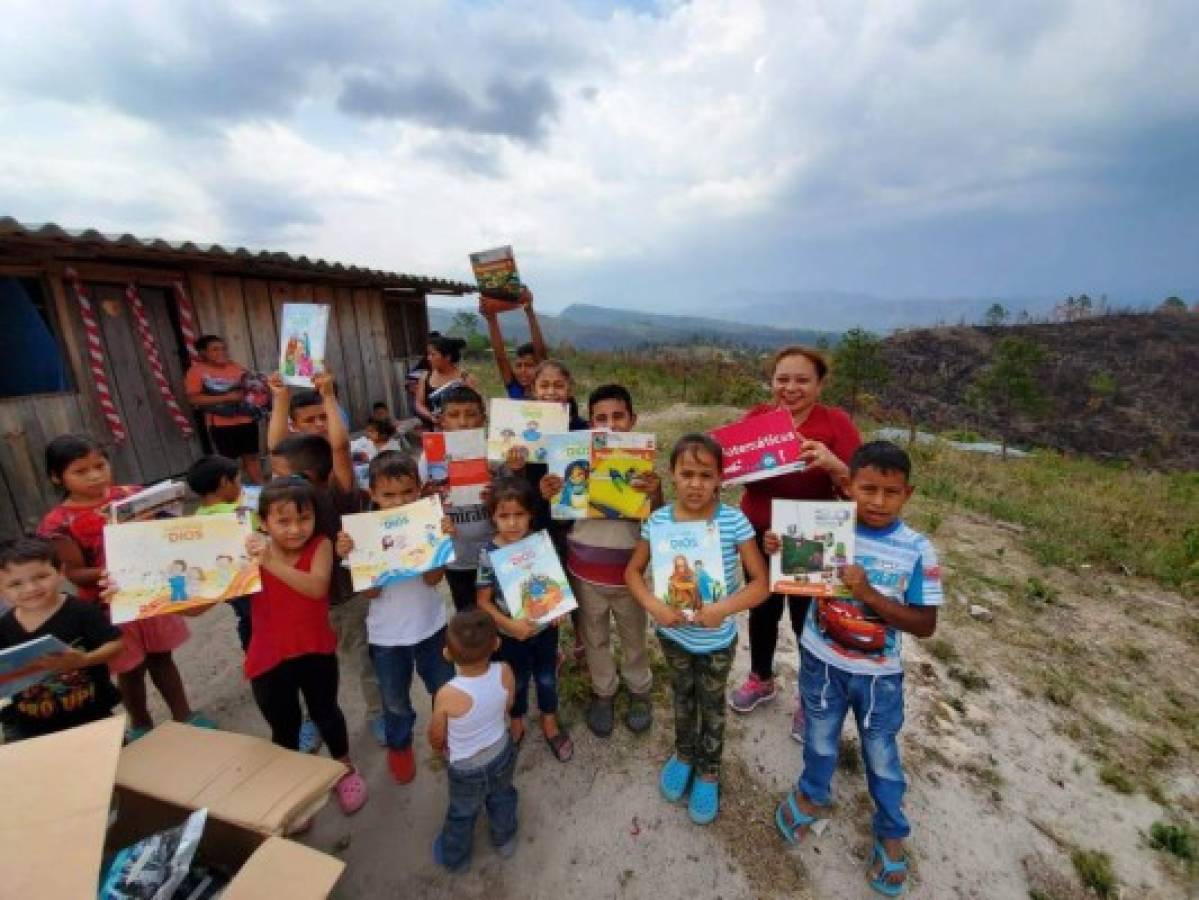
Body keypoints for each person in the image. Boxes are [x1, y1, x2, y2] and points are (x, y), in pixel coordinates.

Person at [770, 441, 941, 897]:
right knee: (820, 736)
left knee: (881, 754)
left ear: (908, 494)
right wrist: (781, 550)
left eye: (890, 491)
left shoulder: (918, 549)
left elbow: (925, 624)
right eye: (867, 488)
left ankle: (891, 832)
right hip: (821, 662)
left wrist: (868, 595)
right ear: (850, 487)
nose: (878, 501)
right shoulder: (831, 528)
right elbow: (798, 578)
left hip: (879, 676)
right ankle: (812, 793)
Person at [625, 433, 769, 825]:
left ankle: (709, 771)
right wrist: (655, 605)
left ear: (721, 478)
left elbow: (760, 583)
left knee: (712, 704)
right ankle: (684, 754)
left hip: (716, 641)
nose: (695, 483)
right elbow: (633, 572)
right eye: (687, 473)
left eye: (706, 475)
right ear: (671, 474)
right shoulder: (658, 520)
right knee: (682, 698)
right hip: (673, 636)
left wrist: (723, 608)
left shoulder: (733, 521)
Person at [37, 434, 212, 741]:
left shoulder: (132, 496)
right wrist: (116, 568)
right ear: (57, 477)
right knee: (130, 668)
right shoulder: (60, 522)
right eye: (81, 471)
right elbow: (75, 572)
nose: (95, 475)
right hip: (109, 603)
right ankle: (141, 724)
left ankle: (184, 715)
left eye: (100, 465)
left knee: (162, 656)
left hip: (153, 591)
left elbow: (167, 530)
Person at [728, 346, 862, 743]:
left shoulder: (835, 423)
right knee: (763, 610)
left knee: (809, 621)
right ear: (771, 382)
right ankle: (762, 677)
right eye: (782, 379)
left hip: (812, 536)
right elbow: (727, 463)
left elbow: (863, 485)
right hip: (759, 536)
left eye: (802, 380)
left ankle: (810, 697)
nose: (791, 387)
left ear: (820, 384)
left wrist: (833, 464)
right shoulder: (757, 420)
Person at [538, 384, 662, 738]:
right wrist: (550, 495)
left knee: (634, 636)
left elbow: (658, 521)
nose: (610, 424)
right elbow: (562, 521)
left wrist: (654, 491)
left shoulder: (643, 467)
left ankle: (639, 690)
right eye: (601, 418)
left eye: (618, 416)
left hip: (629, 575)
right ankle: (603, 690)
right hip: (585, 571)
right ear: (590, 424)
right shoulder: (573, 460)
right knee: (593, 637)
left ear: (633, 420)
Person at [244, 478, 368, 816]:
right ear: (263, 522)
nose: (296, 529)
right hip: (269, 657)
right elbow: (200, 601)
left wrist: (268, 561)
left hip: (315, 650)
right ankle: (294, 789)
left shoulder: (321, 546)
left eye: (304, 518)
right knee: (284, 727)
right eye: (283, 521)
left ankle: (344, 769)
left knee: (326, 712)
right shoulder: (244, 552)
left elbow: (316, 588)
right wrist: (125, 591)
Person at [335, 453, 456, 785]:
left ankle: (446, 737)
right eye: (388, 495)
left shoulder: (428, 521)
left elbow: (434, 580)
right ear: (372, 494)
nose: (399, 501)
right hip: (387, 637)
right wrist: (359, 557)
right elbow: (371, 595)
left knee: (443, 689)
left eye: (407, 492)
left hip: (431, 626)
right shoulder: (361, 535)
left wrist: (439, 541)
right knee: (395, 700)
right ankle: (400, 746)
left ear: (419, 491)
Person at [270, 432, 382, 747]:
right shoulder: (276, 511)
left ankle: (378, 712)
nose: (272, 483)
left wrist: (328, 396)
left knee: (364, 660)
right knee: (306, 670)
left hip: (347, 600)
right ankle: (312, 720)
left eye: (278, 475)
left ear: (303, 478)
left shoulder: (334, 497)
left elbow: (340, 448)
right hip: (303, 608)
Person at [476, 478, 573, 762]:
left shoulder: (542, 543)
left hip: (544, 631)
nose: (512, 523)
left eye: (519, 514)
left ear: (531, 514)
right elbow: (483, 601)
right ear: (492, 516)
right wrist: (509, 626)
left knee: (546, 677)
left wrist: (559, 609)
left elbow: (556, 585)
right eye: (504, 516)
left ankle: (549, 719)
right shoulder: (488, 553)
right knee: (516, 681)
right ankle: (516, 721)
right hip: (511, 634)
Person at [0, 537, 123, 742]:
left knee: (111, 767)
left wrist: (84, 660)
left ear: (60, 572)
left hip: (92, 715)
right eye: (15, 584)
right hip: (28, 727)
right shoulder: (3, 627)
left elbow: (117, 644)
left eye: (41, 576)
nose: (30, 588)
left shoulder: (81, 611)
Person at [429, 608, 518, 872]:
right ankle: (505, 840)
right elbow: (508, 706)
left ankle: (456, 859)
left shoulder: (446, 694)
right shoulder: (505, 671)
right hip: (501, 751)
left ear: (447, 653)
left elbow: (436, 735)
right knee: (502, 797)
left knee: (462, 812)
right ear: (497, 643)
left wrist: (438, 750)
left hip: (465, 768)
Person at [185, 455, 256, 651]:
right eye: (239, 480)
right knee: (259, 616)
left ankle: (250, 651)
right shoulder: (241, 511)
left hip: (226, 582)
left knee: (245, 617)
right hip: (248, 578)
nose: (241, 486)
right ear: (225, 482)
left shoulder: (198, 516)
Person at [436, 385, 496, 612]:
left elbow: (516, 499)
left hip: (495, 554)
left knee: (499, 615)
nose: (462, 422)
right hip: (457, 560)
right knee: (468, 617)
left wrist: (497, 493)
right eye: (453, 415)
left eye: (471, 414)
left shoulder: (495, 455)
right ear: (442, 420)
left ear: (483, 419)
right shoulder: (429, 459)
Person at [184, 335, 263, 484]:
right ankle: (235, 494)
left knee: (252, 457)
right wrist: (227, 398)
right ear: (203, 353)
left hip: (247, 420)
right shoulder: (196, 372)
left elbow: (251, 386)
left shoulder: (235, 367)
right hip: (221, 425)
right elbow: (193, 399)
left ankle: (261, 491)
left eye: (223, 348)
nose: (221, 352)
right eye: (215, 349)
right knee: (229, 462)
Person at [479, 287, 549, 400]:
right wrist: (491, 319)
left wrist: (529, 312)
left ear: (540, 367)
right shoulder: (515, 388)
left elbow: (541, 353)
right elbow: (500, 358)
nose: (523, 371)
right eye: (518, 366)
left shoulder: (547, 392)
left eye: (529, 365)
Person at [414, 336, 478, 429]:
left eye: (433, 354)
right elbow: (419, 404)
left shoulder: (465, 378)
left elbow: (475, 406)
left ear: (447, 357)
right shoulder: (425, 377)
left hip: (460, 429)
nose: (428, 358)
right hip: (435, 430)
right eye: (428, 354)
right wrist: (430, 416)